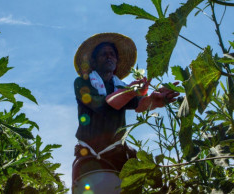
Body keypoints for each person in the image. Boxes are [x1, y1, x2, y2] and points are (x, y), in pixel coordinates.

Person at [72, 33, 179, 183]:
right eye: (103, 54)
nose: (109, 57)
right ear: (94, 62)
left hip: (116, 153)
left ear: (116, 61)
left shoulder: (119, 87)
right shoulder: (83, 84)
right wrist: (130, 92)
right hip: (88, 154)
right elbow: (103, 106)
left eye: (112, 54)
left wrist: (155, 100)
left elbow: (140, 105)